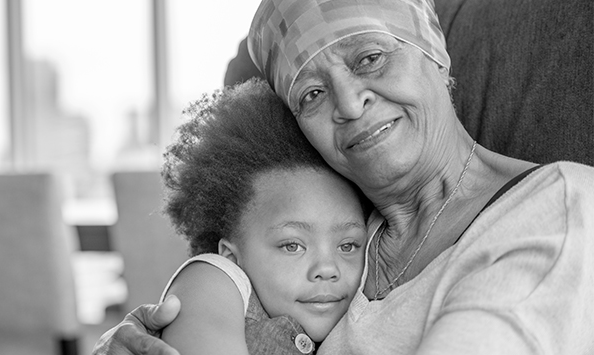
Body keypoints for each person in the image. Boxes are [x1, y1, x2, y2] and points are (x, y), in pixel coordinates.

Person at [93, 0, 594, 354]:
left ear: (434, 50)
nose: (351, 103)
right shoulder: (335, 227)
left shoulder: (557, 209)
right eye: (312, 94)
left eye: (370, 58)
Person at [154, 78, 368, 355]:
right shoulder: (213, 279)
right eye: (292, 246)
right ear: (231, 257)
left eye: (347, 246)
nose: (327, 269)